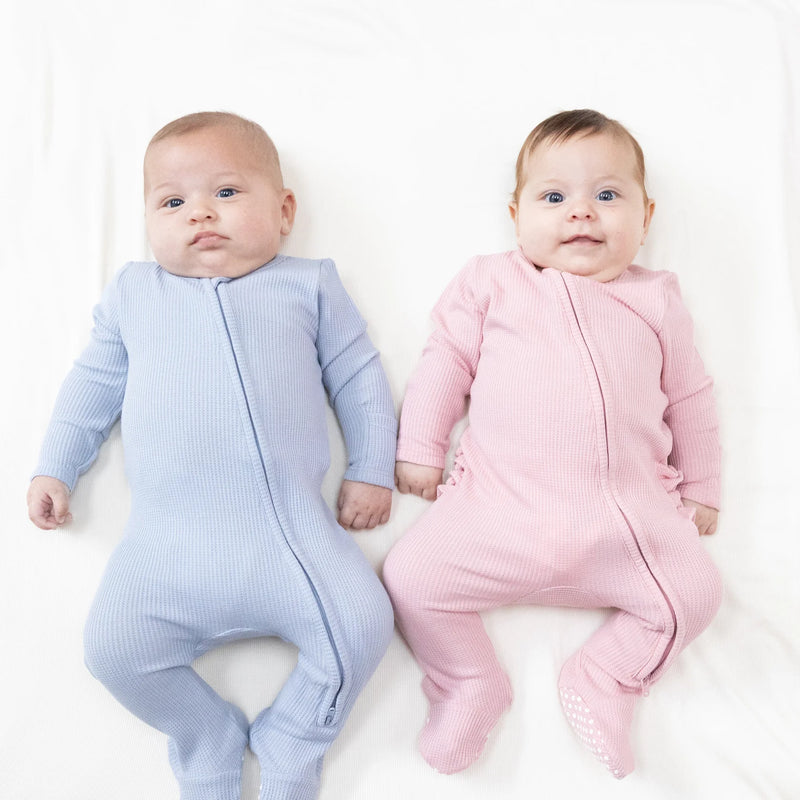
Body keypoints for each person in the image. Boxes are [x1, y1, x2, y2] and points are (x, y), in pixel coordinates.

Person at [27, 111, 397, 800]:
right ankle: (207, 738)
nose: (201, 213)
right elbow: (93, 386)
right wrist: (56, 465)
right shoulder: (135, 295)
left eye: (227, 193)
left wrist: (371, 468)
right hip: (164, 552)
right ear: (148, 221)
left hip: (295, 542)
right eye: (173, 202)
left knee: (365, 624)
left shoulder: (307, 285)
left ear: (283, 210)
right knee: (113, 652)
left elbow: (358, 376)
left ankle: (294, 737)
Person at [383, 109, 722, 779]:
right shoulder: (491, 282)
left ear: (645, 215)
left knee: (698, 593)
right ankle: (469, 681)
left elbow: (691, 397)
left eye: (607, 194)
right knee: (409, 579)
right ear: (516, 214)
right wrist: (420, 447)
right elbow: (445, 362)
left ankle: (607, 676)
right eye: (554, 197)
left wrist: (703, 485)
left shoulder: (655, 300)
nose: (582, 214)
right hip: (494, 515)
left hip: (627, 527)